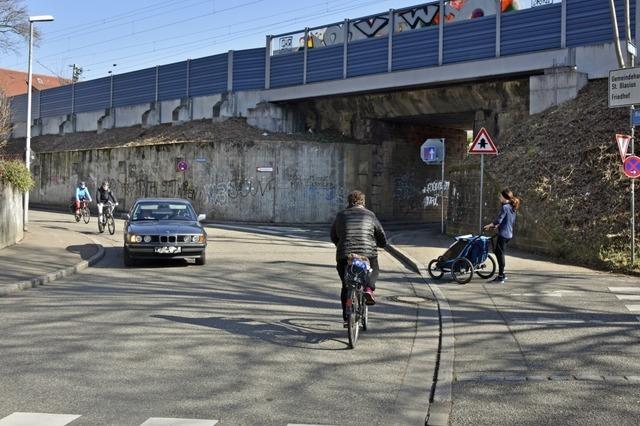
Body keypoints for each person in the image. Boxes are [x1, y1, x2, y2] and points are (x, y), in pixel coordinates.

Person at [331, 190, 387, 327]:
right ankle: (368, 289)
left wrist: (340, 244)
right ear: (363, 202)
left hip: (345, 255)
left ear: (349, 202)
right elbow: (380, 234)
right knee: (375, 268)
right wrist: (382, 244)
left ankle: (346, 318)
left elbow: (333, 235)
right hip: (366, 253)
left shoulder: (341, 215)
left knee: (346, 284)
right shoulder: (370, 215)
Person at [483, 188, 520, 284]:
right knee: (498, 252)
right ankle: (502, 274)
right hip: (508, 234)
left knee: (500, 254)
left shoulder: (505, 207)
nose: (499, 197)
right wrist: (496, 226)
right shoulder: (512, 207)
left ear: (504, 197)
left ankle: (501, 276)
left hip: (503, 234)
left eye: (500, 196)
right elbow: (507, 221)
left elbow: (498, 220)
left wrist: (490, 225)